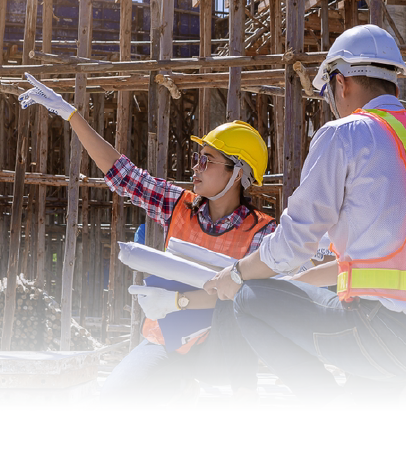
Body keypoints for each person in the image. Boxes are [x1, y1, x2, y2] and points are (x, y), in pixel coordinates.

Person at [204, 24, 406, 403]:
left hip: (383, 334)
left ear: (342, 82)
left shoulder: (345, 134)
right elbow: (404, 252)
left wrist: (234, 274)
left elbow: (292, 245)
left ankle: (332, 413)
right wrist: (306, 280)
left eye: (329, 90)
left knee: (248, 298)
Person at [18, 74, 276, 402]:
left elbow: (248, 301)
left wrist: (179, 302)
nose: (194, 167)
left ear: (238, 172)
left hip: (221, 355)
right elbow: (123, 173)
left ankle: (239, 403)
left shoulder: (262, 232)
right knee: (112, 401)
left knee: (242, 300)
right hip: (165, 341)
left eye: (205, 160)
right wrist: (73, 116)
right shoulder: (179, 205)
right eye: (198, 158)